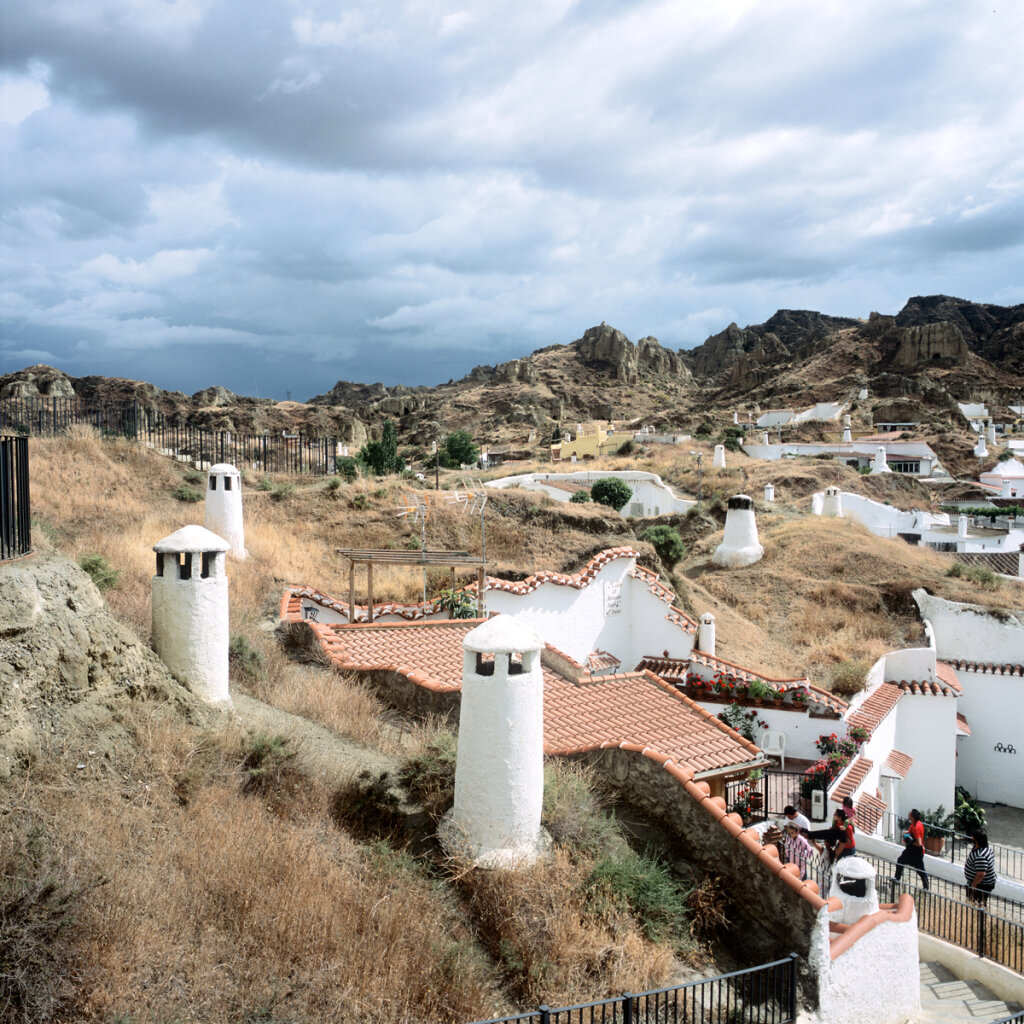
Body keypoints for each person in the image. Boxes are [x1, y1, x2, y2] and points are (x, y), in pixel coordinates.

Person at [894, 808, 929, 890]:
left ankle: (897, 879)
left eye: (910, 814)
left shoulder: (916, 827)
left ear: (912, 817)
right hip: (913, 850)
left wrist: (909, 842)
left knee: (919, 869)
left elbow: (919, 843)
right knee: (901, 861)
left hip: (915, 851)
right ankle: (897, 879)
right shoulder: (917, 823)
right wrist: (907, 833)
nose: (908, 814)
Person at [964, 830, 997, 905]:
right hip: (978, 883)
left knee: (977, 904)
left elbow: (981, 874)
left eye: (973, 837)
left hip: (981, 885)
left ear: (976, 840)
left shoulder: (981, 855)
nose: (971, 838)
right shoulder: (984, 848)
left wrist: (974, 885)